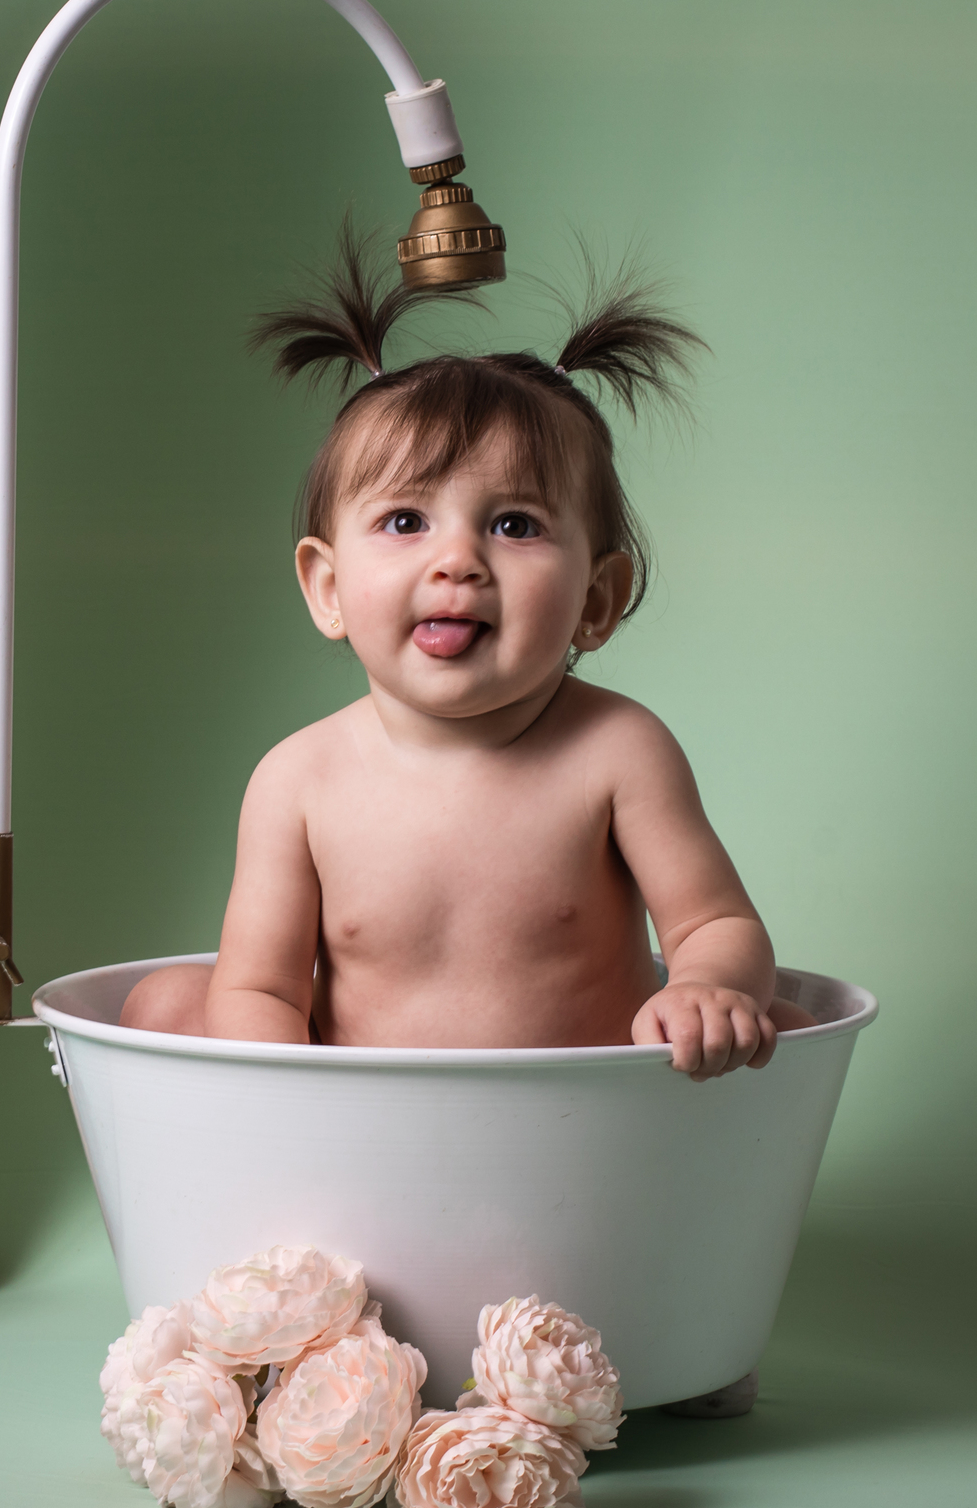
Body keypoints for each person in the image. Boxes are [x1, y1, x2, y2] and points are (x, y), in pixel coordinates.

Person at [122, 232, 814, 1077]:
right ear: (328, 588)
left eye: (514, 524)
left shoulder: (617, 752)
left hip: (577, 1124)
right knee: (166, 1002)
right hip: (366, 1125)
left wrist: (707, 989)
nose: (457, 561)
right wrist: (296, 1102)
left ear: (596, 601)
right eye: (405, 522)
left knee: (770, 1019)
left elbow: (716, 926)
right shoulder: (298, 781)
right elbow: (261, 990)